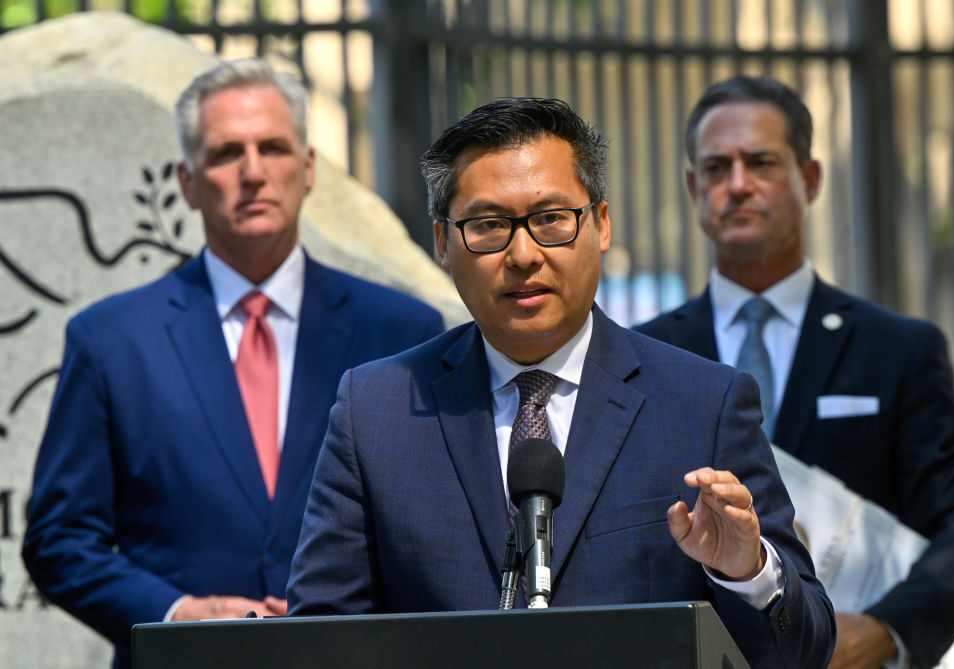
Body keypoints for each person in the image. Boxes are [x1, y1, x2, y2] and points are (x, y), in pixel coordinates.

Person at [287, 96, 836, 666]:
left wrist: (745, 571)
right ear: (443, 245)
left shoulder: (705, 404)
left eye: (550, 219)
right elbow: (319, 639)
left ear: (599, 225)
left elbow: (807, 650)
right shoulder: (376, 411)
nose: (523, 254)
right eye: (488, 225)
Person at [21, 58, 444, 668]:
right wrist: (175, 612)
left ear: (306, 170)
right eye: (225, 154)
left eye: (272, 147)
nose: (252, 172)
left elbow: (432, 526)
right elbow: (59, 540)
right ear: (187, 182)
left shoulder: (402, 331)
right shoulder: (110, 339)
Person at [635, 75, 954, 669]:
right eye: (715, 167)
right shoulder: (643, 356)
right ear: (692, 185)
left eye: (760, 162)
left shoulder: (896, 350)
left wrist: (889, 630)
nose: (737, 185)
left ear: (809, 179)